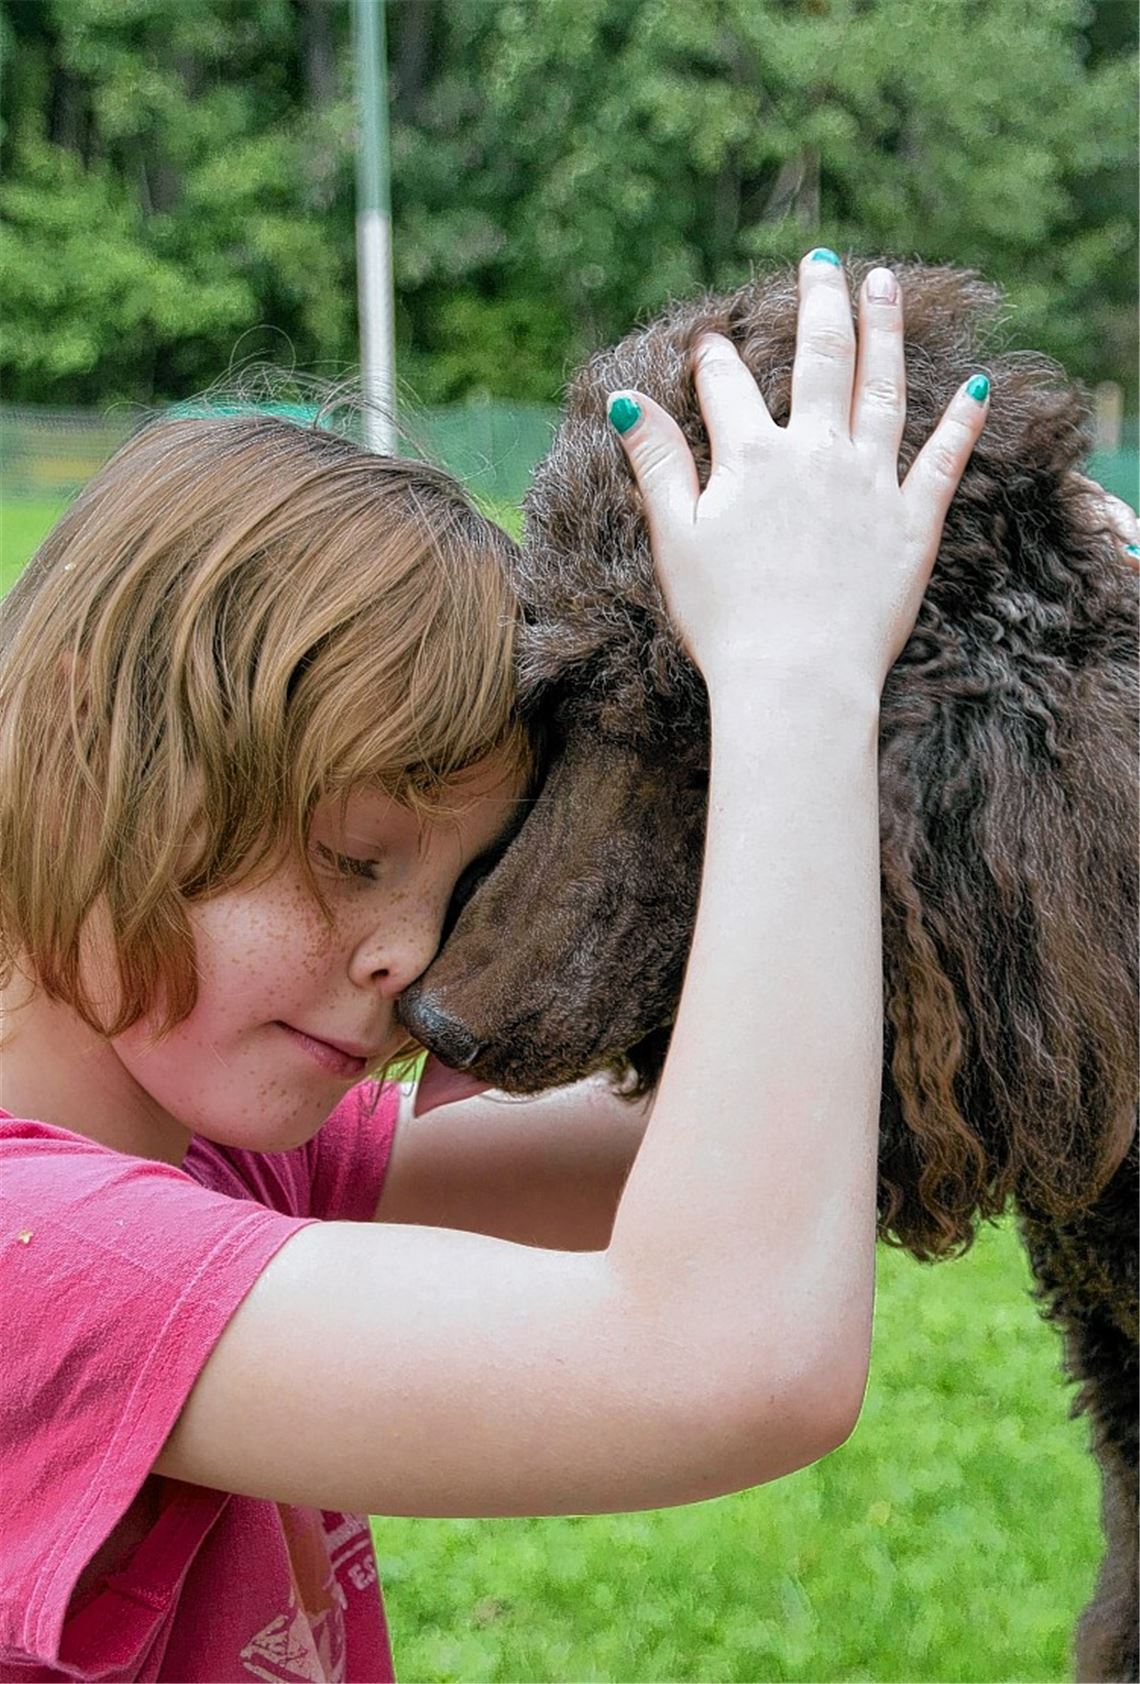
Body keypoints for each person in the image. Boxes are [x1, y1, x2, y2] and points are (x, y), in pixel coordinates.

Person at [0, 250, 1126, 1683]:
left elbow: (769, 1138)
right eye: (353, 860)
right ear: (99, 749)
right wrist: (795, 677)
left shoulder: (211, 1157)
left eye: (458, 878)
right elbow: (728, 1354)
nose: (418, 960)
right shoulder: (40, 1264)